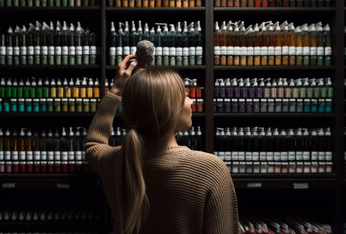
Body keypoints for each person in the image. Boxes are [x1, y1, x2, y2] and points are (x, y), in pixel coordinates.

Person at [84, 55, 240, 234]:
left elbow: (93, 144)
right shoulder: (210, 170)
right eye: (185, 96)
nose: (192, 102)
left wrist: (117, 89)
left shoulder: (116, 161)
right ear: (170, 108)